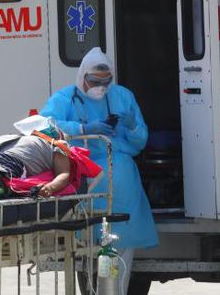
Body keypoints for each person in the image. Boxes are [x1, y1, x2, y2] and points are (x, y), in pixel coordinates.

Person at [40, 47, 159, 294]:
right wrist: (84, 129)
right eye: (95, 81)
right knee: (85, 251)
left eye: (106, 82)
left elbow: (140, 142)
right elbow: (43, 128)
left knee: (120, 251)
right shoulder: (65, 99)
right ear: (82, 76)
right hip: (86, 183)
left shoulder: (123, 97)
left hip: (122, 184)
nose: (101, 87)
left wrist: (133, 125)